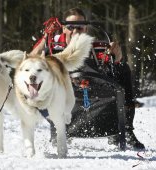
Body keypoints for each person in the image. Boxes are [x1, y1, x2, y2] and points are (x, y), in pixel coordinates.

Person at [31, 7, 145, 149]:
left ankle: (125, 128)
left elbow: (111, 68)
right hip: (62, 93)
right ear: (63, 29)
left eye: (79, 27)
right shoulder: (53, 44)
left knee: (123, 69)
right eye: (70, 27)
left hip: (93, 92)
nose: (74, 31)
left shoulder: (95, 46)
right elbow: (30, 61)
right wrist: (46, 38)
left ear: (85, 29)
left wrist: (117, 58)